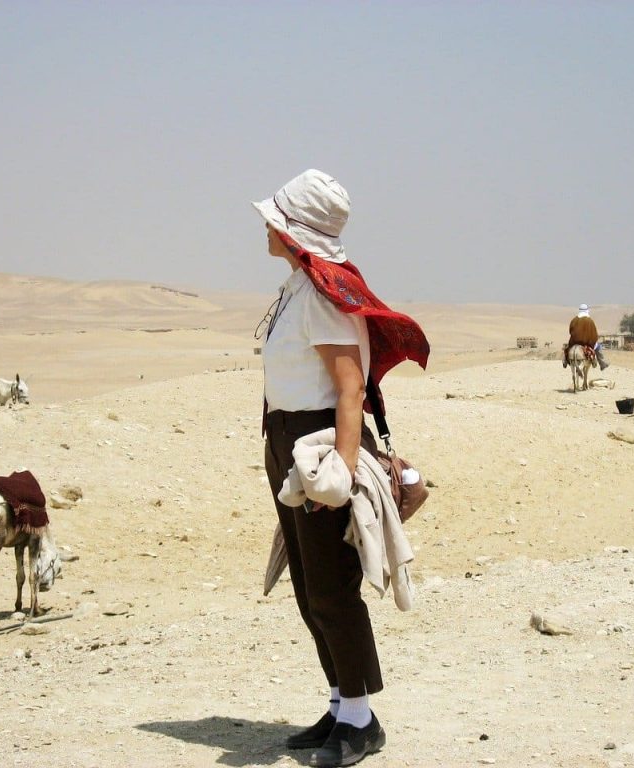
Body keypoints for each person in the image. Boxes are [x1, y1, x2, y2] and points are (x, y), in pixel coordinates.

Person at [252, 169, 429, 767]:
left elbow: (350, 387)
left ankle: (360, 720)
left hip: (320, 448)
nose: (265, 226)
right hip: (287, 443)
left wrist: (343, 472)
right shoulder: (299, 288)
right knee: (308, 586)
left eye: (274, 218)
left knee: (331, 587)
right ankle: (339, 705)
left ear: (295, 229)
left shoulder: (325, 295)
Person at [564, 303, 609, 370]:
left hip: (574, 342)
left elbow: (570, 331)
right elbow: (594, 333)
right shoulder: (590, 321)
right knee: (598, 346)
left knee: (567, 348)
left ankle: (564, 361)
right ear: (587, 311)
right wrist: (593, 339)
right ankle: (602, 363)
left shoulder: (574, 320)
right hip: (587, 343)